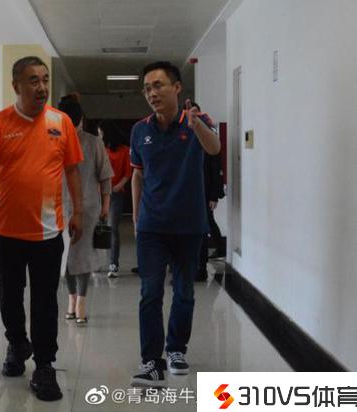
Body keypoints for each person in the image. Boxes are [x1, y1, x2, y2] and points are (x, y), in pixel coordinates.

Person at [0, 56, 83, 401]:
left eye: (45, 79)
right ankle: (17, 343)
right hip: (6, 230)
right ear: (16, 85)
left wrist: (79, 212)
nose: (42, 87)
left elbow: (72, 170)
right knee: (9, 296)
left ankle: (45, 365)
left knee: (45, 301)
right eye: (33, 80)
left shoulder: (61, 122)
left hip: (48, 232)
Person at [129, 61, 220, 386]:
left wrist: (196, 126)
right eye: (147, 88)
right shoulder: (140, 130)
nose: (152, 93)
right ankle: (152, 361)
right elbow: (137, 175)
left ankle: (176, 349)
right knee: (150, 293)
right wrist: (136, 217)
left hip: (188, 225)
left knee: (184, 291)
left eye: (158, 85)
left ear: (177, 87)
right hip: (152, 226)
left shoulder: (197, 121)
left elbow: (215, 148)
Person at [58, 97, 113, 324]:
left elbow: (105, 175)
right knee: (65, 257)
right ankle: (72, 298)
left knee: (82, 256)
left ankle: (80, 300)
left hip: (88, 207)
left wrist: (106, 205)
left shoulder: (93, 142)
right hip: (60, 207)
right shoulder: (54, 141)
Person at [190, 102, 226, 281]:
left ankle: (201, 267)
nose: (193, 118)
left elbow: (215, 167)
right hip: (188, 193)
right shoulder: (186, 138)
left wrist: (214, 195)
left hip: (204, 192)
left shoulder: (209, 137)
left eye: (196, 114)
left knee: (204, 227)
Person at [100, 120, 131, 278]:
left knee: (112, 228)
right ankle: (98, 263)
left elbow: (128, 173)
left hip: (116, 194)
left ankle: (113, 264)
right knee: (99, 228)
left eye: (101, 133)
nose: (100, 136)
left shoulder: (125, 150)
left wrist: (119, 186)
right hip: (100, 193)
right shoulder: (101, 149)